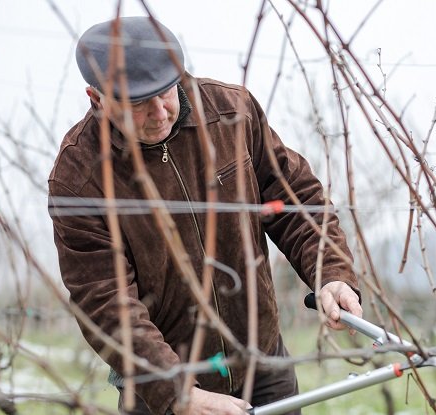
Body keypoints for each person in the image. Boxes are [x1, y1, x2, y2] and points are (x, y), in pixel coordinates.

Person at [48, 16, 362, 415]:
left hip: (265, 366)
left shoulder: (232, 113)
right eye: (137, 103)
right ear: (96, 98)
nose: (159, 112)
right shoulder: (80, 176)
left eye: (165, 92)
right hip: (162, 387)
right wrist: (177, 391)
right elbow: (106, 301)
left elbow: (295, 199)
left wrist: (330, 272)